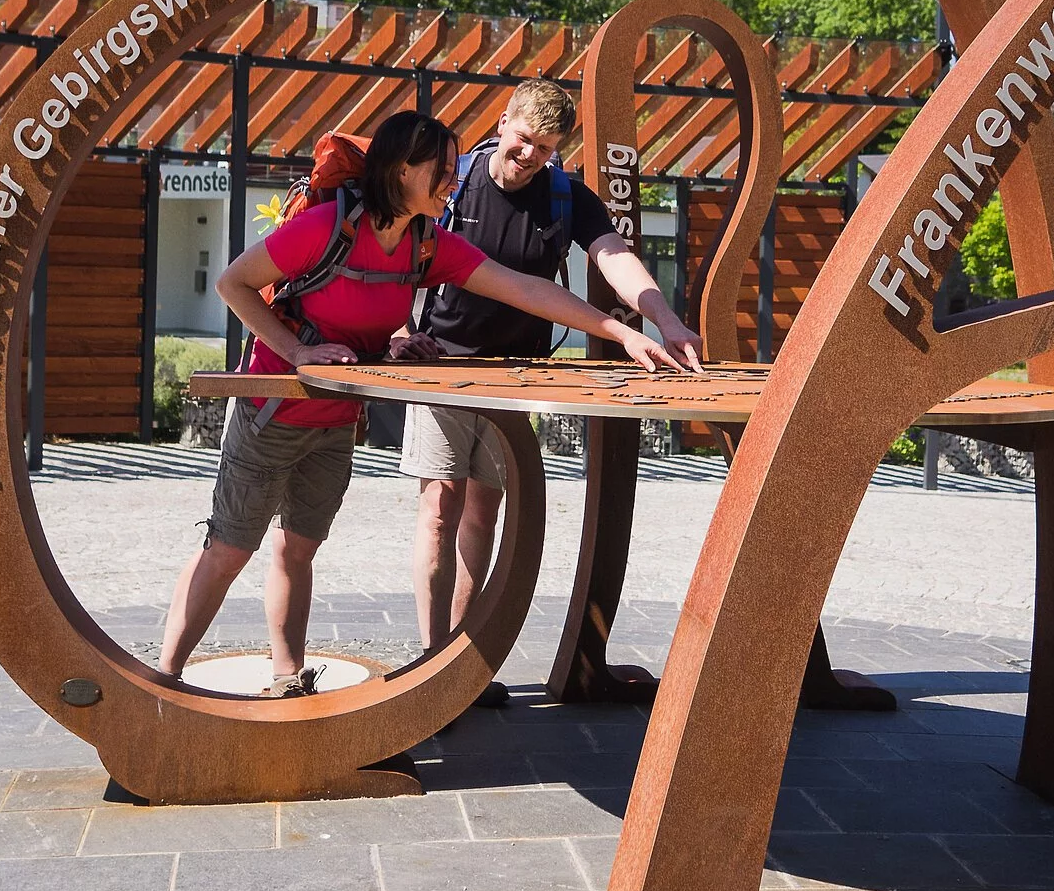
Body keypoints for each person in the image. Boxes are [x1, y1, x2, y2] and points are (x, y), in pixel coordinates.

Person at [157, 109, 684, 697]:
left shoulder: (425, 243)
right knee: (229, 549)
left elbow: (527, 289)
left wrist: (626, 334)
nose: (453, 183)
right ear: (402, 170)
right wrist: (295, 353)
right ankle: (163, 682)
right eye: (442, 171)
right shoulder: (327, 228)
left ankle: (286, 677)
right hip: (272, 412)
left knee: (297, 549)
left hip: (334, 421)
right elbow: (235, 283)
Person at [395, 81, 703, 675]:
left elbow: (614, 256)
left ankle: (458, 663)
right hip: (440, 364)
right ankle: (427, 664)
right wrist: (397, 332)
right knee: (440, 505)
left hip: (518, 375)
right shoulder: (450, 182)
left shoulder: (566, 196)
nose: (530, 156)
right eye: (523, 139)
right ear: (502, 122)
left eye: (546, 147)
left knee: (485, 511)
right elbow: (395, 250)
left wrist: (665, 321)